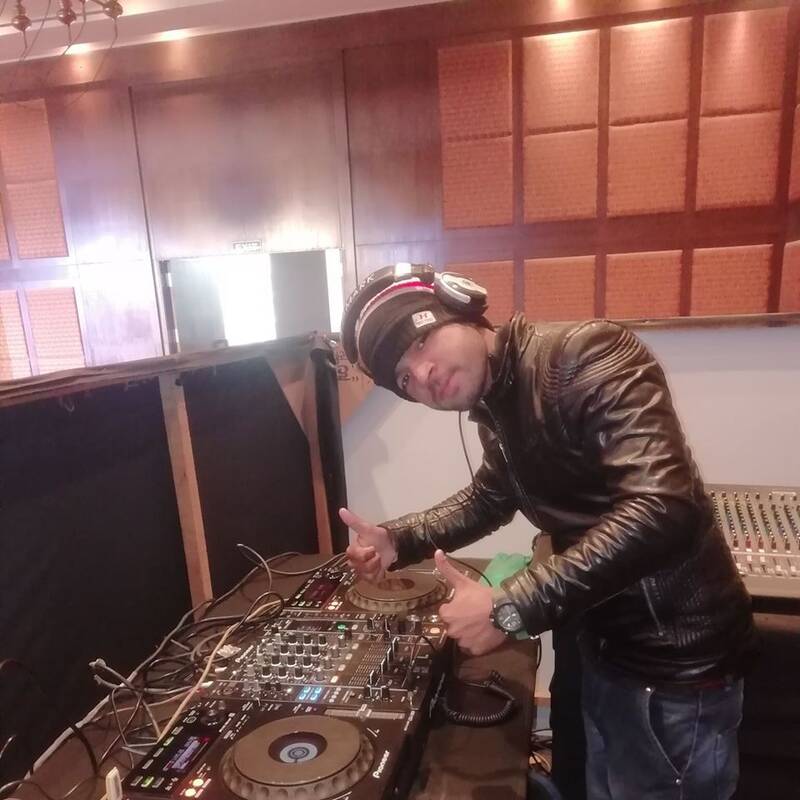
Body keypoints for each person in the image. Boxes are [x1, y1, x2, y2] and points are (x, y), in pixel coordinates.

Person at [338, 262, 756, 800]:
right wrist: (399, 539)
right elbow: (489, 498)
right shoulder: (499, 400)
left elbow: (661, 507)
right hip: (606, 647)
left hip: (672, 669)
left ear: (461, 306)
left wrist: (510, 608)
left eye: (418, 342)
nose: (422, 375)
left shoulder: (585, 355)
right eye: (403, 379)